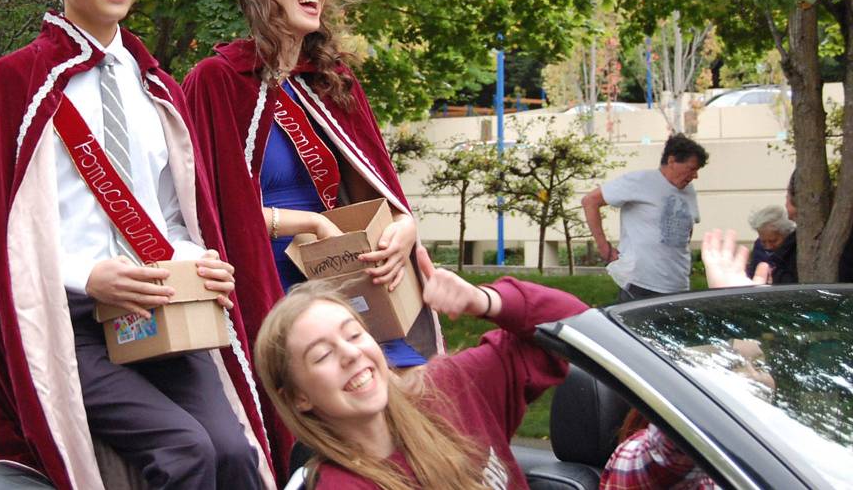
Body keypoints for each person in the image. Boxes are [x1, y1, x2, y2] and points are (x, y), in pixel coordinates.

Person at [0, 0, 272, 489]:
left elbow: (174, 212)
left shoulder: (156, 83)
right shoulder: (13, 84)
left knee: (235, 451)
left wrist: (197, 261)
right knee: (185, 450)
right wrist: (86, 275)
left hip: (160, 308)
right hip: (66, 318)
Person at [182, 0, 443, 472]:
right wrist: (307, 222)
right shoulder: (216, 79)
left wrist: (404, 228)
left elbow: (376, 183)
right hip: (264, 278)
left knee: (407, 393)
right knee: (308, 431)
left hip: (342, 273)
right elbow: (202, 205)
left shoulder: (328, 78)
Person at [254, 245, 589, 489]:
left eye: (354, 334)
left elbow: (577, 329)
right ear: (299, 397)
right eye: (322, 355)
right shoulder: (341, 485)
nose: (350, 354)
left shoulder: (451, 387)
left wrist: (486, 300)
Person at [600, 230, 771, 490]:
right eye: (732, 365)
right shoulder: (635, 459)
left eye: (759, 364)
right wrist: (731, 313)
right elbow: (674, 448)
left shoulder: (780, 453)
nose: (753, 376)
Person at [582, 134, 708, 301]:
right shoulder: (639, 181)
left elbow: (688, 228)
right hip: (640, 284)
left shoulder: (689, 191)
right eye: (691, 168)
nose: (695, 176)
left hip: (678, 285)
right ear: (671, 161)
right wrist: (604, 248)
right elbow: (590, 201)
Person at [745, 204, 797, 283]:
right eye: (763, 241)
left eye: (773, 241)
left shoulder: (793, 249)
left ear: (785, 234)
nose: (768, 247)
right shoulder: (758, 248)